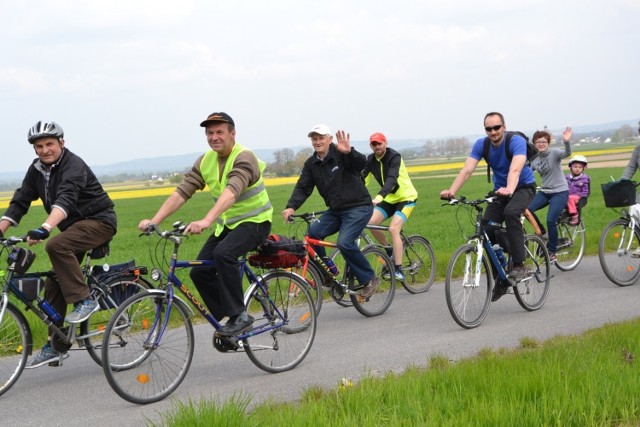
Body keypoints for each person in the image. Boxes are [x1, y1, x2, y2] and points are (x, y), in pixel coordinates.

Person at [138, 112, 272, 336]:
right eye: (210, 133)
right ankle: (230, 324)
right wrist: (154, 221)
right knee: (199, 271)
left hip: (255, 222)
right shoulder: (205, 160)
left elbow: (232, 192)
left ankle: (240, 315)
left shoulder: (244, 157)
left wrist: (207, 220)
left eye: (220, 132)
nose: (214, 137)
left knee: (223, 254)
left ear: (232, 133)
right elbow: (182, 192)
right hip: (228, 225)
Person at [0, 120, 117, 368]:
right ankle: (57, 343)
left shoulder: (73, 165)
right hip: (74, 227)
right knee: (54, 280)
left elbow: (65, 199)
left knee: (56, 245)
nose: (45, 150)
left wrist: (45, 228)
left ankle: (85, 300)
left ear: (61, 143)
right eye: (39, 146)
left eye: (49, 144)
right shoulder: (36, 170)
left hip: (98, 221)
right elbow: (21, 200)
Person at [439, 112, 536, 301]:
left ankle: (519, 264)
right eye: (488, 129)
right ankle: (500, 277)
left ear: (504, 126)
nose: (493, 132)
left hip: (523, 187)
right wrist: (452, 191)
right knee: (485, 229)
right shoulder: (481, 145)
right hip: (501, 190)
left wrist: (509, 188)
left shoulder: (515, 141)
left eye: (496, 127)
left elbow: (515, 169)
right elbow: (467, 170)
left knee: (511, 212)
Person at [281, 124, 379, 298]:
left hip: (359, 207)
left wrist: (350, 152)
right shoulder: (312, 164)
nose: (317, 142)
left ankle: (369, 278)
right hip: (336, 210)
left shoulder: (342, 153)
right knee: (312, 234)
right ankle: (325, 273)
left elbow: (361, 164)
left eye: (321, 138)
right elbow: (303, 187)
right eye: (314, 139)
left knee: (344, 242)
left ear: (329, 139)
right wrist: (291, 206)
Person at [363, 132, 418, 281]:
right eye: (374, 144)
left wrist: (379, 196)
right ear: (371, 146)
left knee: (394, 229)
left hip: (406, 198)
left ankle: (398, 269)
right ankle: (389, 250)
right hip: (389, 199)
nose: (377, 147)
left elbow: (392, 180)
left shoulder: (395, 157)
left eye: (379, 143)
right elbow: (362, 179)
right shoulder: (370, 159)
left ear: (385, 143)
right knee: (370, 223)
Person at [527, 127, 573, 263]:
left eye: (544, 142)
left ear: (548, 143)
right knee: (527, 210)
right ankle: (543, 233)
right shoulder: (534, 159)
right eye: (538, 142)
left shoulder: (554, 153)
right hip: (545, 191)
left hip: (560, 192)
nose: (541, 144)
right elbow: (526, 173)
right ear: (534, 144)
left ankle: (552, 251)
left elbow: (568, 153)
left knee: (551, 220)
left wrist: (566, 141)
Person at [565, 154, 590, 224]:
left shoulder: (584, 179)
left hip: (578, 197)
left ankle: (574, 215)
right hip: (567, 196)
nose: (577, 169)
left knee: (569, 198)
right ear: (571, 167)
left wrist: (582, 197)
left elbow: (586, 191)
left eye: (580, 167)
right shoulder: (566, 177)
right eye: (575, 167)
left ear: (583, 168)